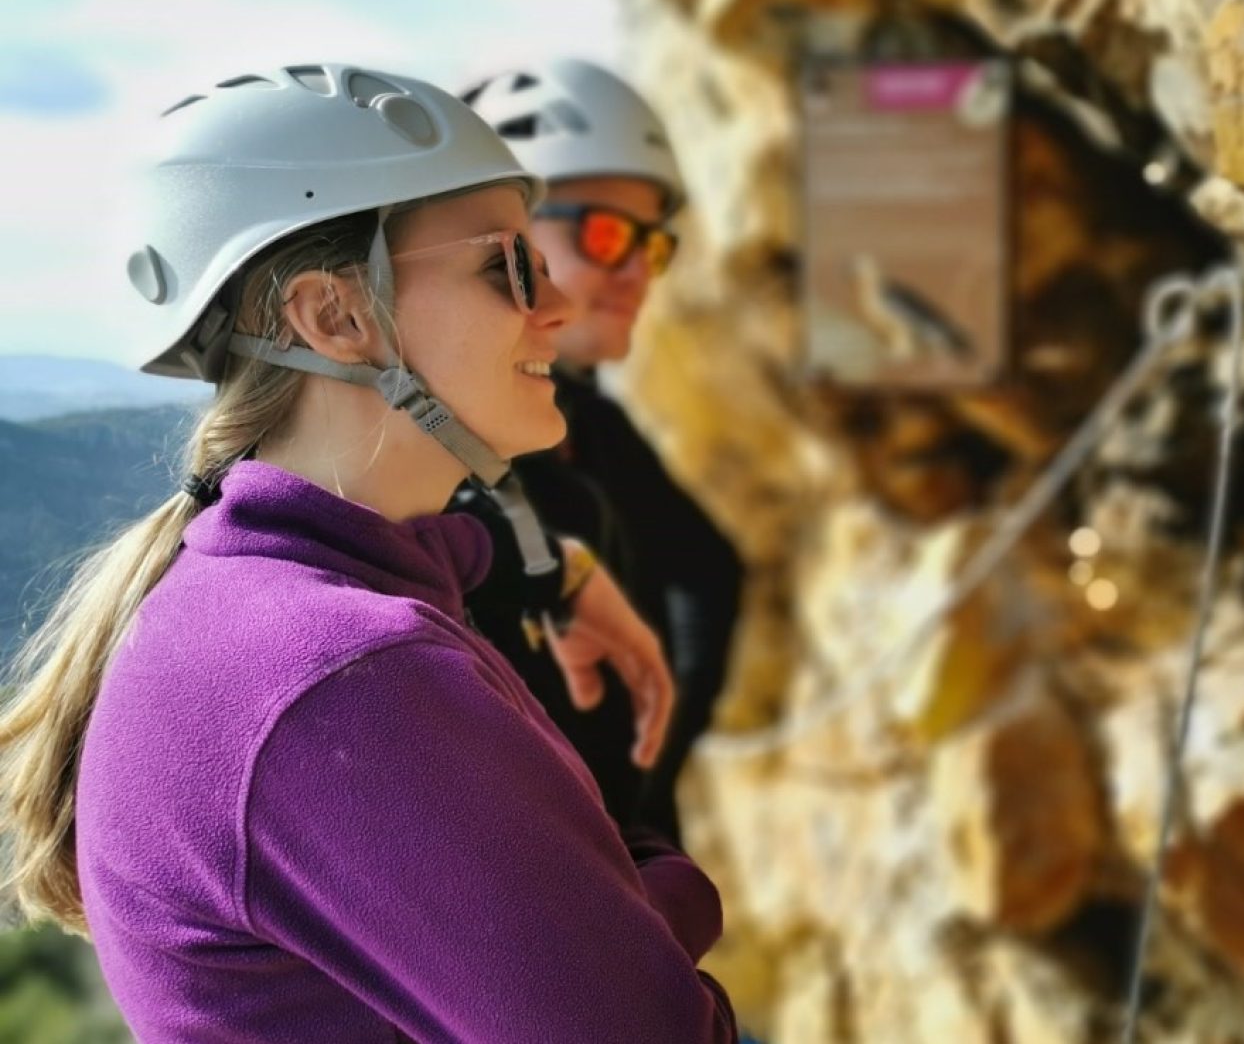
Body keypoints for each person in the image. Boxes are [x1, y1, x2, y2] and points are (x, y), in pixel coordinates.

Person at [0, 63, 736, 1041]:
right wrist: (663, 892)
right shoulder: (345, 673)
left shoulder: (255, 602)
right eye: (508, 267)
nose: (554, 306)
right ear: (335, 318)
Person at [458, 58, 745, 846]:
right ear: (500, 236)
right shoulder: (432, 463)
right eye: (608, 233)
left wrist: (640, 794)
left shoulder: (584, 422)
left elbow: (707, 569)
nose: (636, 274)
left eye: (651, 246)